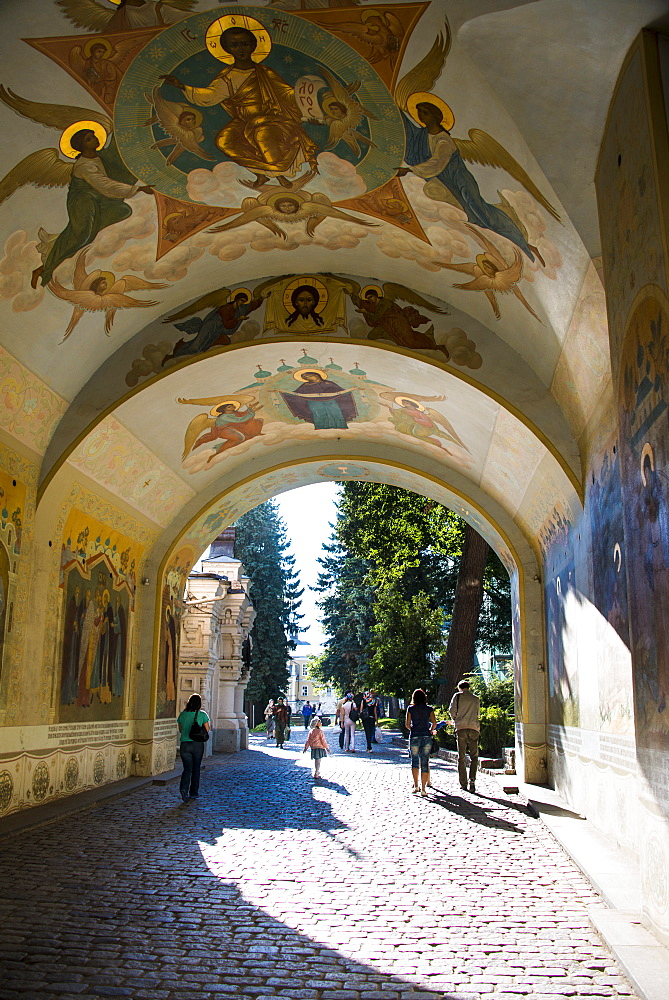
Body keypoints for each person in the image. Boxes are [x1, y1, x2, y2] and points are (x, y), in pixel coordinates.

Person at [160, 25, 318, 189]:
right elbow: (210, 95)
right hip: (243, 120)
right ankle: (260, 174)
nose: (240, 49)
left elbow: (287, 94)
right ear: (227, 49)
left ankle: (280, 177)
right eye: (234, 45)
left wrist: (307, 103)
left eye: (244, 44)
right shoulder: (227, 77)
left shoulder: (265, 73)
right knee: (223, 141)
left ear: (253, 46)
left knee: (262, 137)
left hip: (268, 117)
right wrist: (182, 87)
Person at [177, 694, 210, 802]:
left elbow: (181, 730)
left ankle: (183, 789)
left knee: (187, 769)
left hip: (184, 744)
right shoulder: (202, 715)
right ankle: (194, 792)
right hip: (197, 744)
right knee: (196, 769)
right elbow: (207, 729)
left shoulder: (183, 715)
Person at [449, 680, 481, 793]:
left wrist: (455, 719)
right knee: (474, 756)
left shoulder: (457, 696)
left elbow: (452, 711)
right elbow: (478, 714)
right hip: (474, 728)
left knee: (461, 756)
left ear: (459, 688)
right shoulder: (475, 698)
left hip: (461, 727)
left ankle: (463, 783)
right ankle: (472, 779)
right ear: (469, 688)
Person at [406, 688, 437, 797]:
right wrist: (430, 730)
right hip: (426, 736)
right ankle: (424, 788)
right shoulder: (429, 709)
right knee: (425, 761)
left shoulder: (411, 708)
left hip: (415, 736)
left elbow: (407, 724)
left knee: (414, 761)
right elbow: (434, 723)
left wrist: (413, 729)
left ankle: (416, 786)